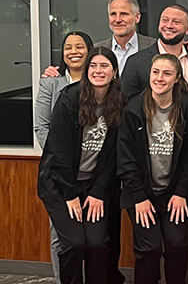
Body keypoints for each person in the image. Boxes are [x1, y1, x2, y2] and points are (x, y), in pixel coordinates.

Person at [37, 47, 123, 284]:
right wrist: (70, 194)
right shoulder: (69, 98)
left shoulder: (119, 103)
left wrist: (97, 193)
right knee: (74, 243)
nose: (98, 71)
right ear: (86, 71)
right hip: (60, 185)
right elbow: (59, 152)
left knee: (97, 244)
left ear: (114, 72)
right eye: (93, 66)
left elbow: (114, 156)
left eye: (104, 66)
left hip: (95, 187)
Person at [117, 54, 188, 284]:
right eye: (155, 72)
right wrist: (139, 198)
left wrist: (181, 192)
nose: (159, 78)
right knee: (149, 248)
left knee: (177, 245)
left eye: (167, 73)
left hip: (175, 194)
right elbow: (126, 160)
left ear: (177, 78)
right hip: (141, 194)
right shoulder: (133, 109)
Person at [34, 31, 94, 284]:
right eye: (68, 47)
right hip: (58, 173)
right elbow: (41, 126)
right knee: (61, 235)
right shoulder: (50, 83)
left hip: (92, 172)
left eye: (79, 46)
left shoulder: (99, 81)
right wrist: (63, 160)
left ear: (90, 51)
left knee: (93, 237)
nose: (73, 51)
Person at [121, 3, 188, 102]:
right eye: (165, 20)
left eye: (176, 22)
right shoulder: (136, 62)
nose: (169, 25)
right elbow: (127, 101)